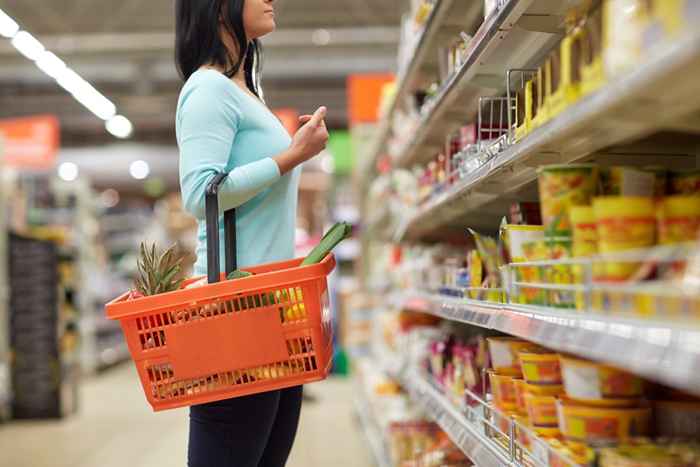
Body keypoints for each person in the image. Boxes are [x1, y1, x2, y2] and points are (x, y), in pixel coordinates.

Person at [174, 0, 329, 465]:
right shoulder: (207, 89)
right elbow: (202, 195)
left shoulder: (243, 90)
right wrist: (291, 156)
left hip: (273, 312)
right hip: (234, 319)